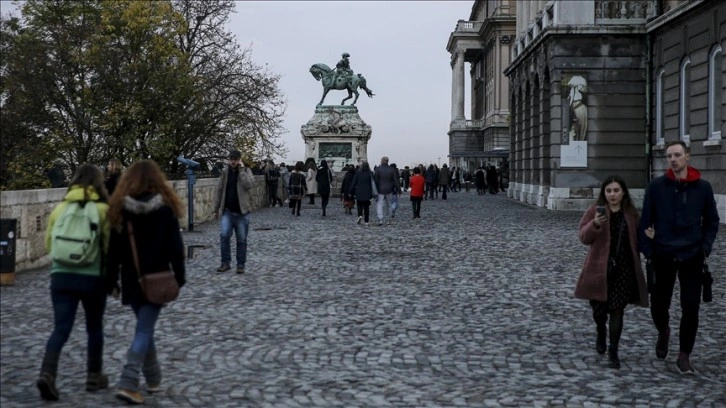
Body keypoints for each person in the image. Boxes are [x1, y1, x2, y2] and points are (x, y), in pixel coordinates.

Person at [106, 160, 186, 404]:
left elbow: (113, 253)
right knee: (144, 329)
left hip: (132, 279)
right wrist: (179, 278)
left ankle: (153, 378)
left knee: (144, 327)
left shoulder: (120, 210)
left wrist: (112, 281)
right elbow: (176, 248)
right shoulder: (165, 210)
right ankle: (128, 382)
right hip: (157, 278)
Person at [638, 141, 719, 374]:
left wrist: (705, 247)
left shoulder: (702, 188)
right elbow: (645, 222)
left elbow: (712, 221)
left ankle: (685, 353)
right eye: (669, 156)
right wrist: (648, 250)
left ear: (687, 157)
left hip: (692, 255)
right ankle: (663, 331)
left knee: (691, 307)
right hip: (663, 254)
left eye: (677, 155)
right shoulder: (656, 187)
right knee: (659, 306)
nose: (673, 159)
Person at [37, 164, 111, 401]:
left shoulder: (60, 208)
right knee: (94, 327)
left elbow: (49, 244)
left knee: (61, 328)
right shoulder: (101, 210)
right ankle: (94, 375)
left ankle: (47, 373)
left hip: (61, 277)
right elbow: (109, 246)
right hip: (92, 277)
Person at [575, 175, 648, 369]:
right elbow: (583, 236)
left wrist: (650, 238)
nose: (612, 195)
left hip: (624, 268)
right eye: (609, 191)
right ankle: (600, 330)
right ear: (604, 193)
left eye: (616, 191)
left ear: (623, 192)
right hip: (599, 268)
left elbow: (640, 241)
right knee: (599, 311)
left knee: (617, 309)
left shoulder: (631, 214)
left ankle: (613, 350)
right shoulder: (594, 211)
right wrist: (596, 224)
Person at [213, 149, 254, 274]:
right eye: (231, 159)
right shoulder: (225, 172)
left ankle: (240, 265)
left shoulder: (246, 171)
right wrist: (216, 209)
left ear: (239, 160)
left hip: (242, 212)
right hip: (228, 212)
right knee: (224, 236)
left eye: (235, 159)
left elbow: (249, 185)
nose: (233, 162)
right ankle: (225, 263)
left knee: (241, 239)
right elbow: (219, 190)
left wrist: (241, 171)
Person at [374, 156, 399, 225]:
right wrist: (399, 190)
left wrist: (375, 189)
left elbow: (375, 180)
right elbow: (396, 180)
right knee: (389, 204)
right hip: (389, 189)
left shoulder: (378, 169)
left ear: (382, 161)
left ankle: (380, 219)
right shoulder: (391, 169)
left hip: (380, 189)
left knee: (379, 204)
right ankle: (389, 219)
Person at [349, 161, 375, 225]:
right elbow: (373, 183)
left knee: (359, 205)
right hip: (367, 192)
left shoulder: (358, 173)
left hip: (359, 191)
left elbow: (353, 182)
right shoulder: (370, 173)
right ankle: (366, 221)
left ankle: (360, 215)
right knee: (366, 207)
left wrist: (350, 191)